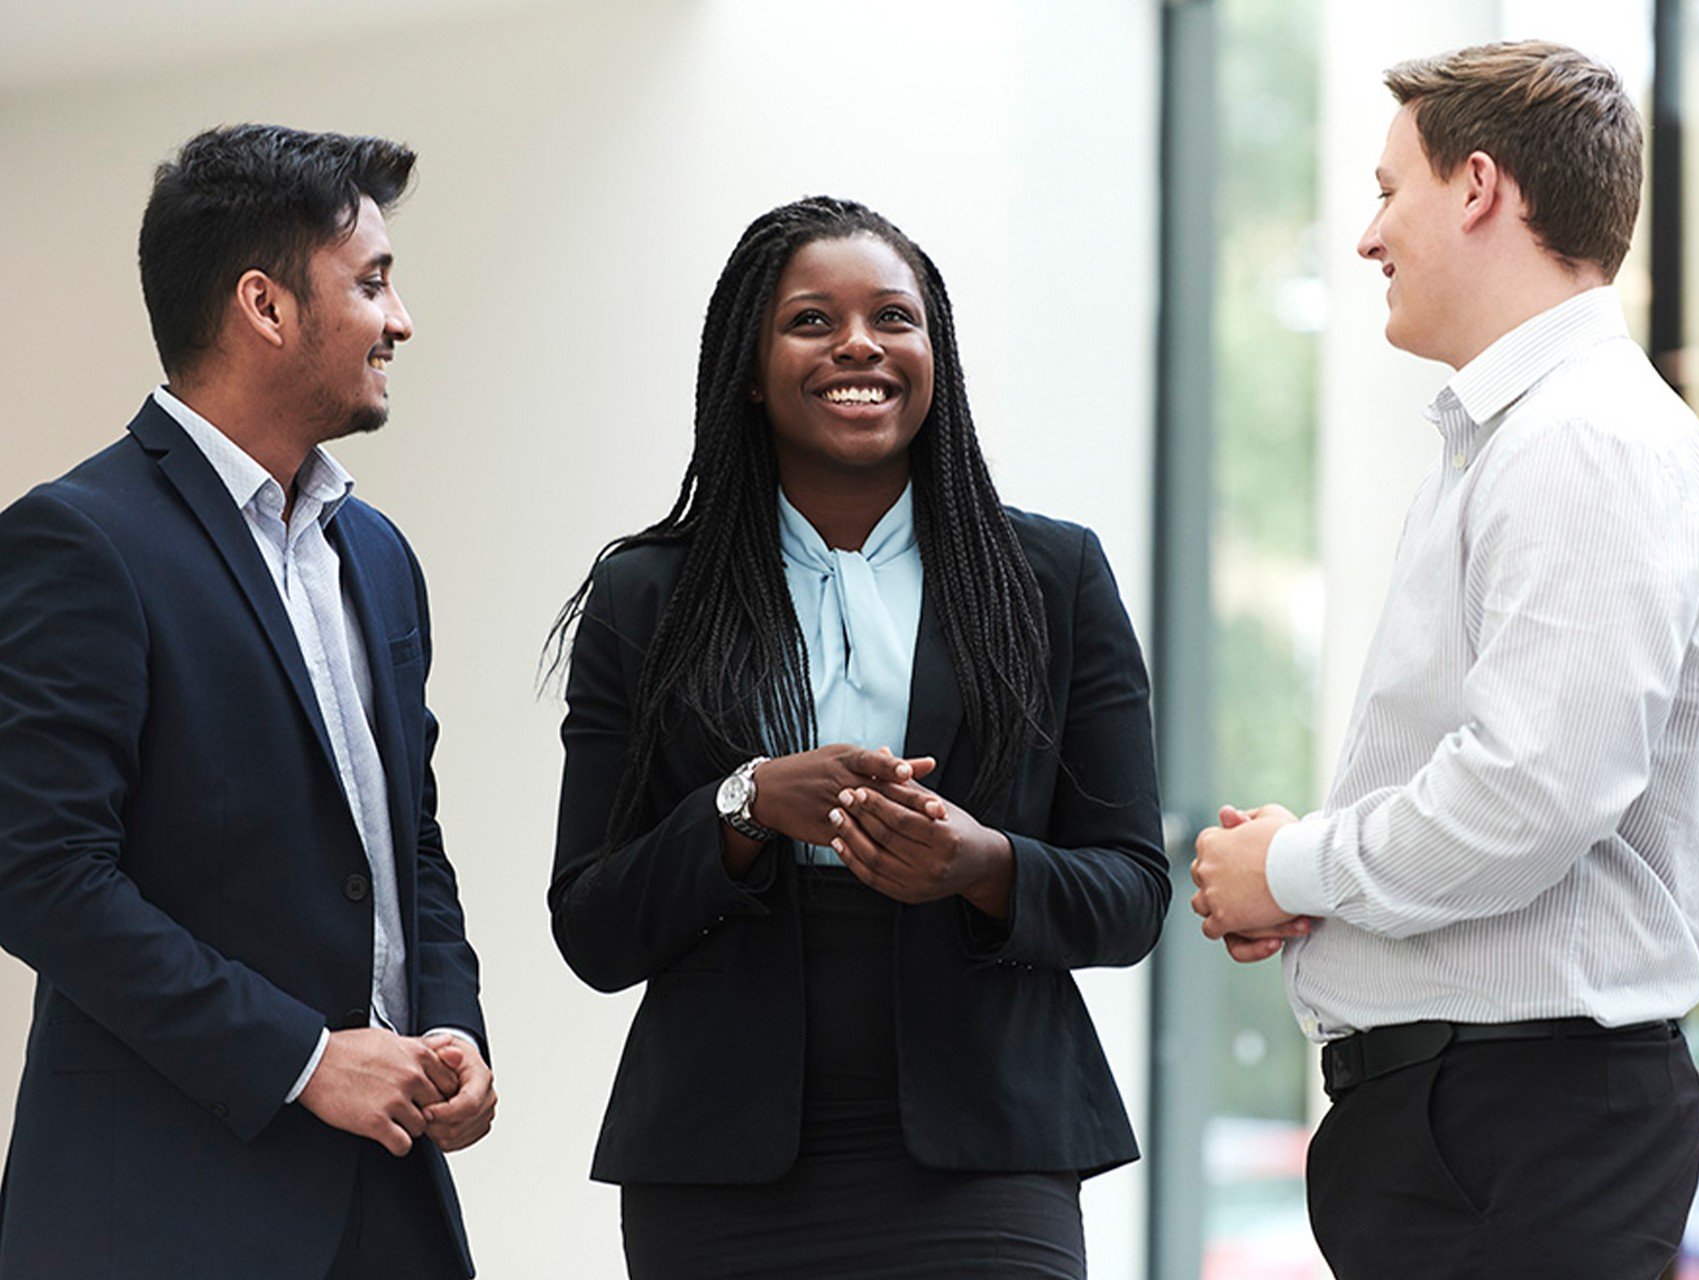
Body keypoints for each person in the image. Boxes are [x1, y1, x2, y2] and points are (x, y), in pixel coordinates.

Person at [1188, 41, 1699, 1279]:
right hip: (1489, 1123)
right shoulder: (1528, 439)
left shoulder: (1583, 440)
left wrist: (1294, 864)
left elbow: (1529, 792)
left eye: (1391, 191)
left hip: (1520, 1123)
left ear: (1480, 187)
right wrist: (1312, 873)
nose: (1367, 236)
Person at [549, 196, 1168, 1278]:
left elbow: (1132, 893)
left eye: (893, 318)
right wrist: (743, 807)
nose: (858, 345)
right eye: (811, 321)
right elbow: (593, 926)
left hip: (989, 1151)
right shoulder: (647, 596)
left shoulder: (1053, 579)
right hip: (722, 1168)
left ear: (936, 358)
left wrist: (984, 864)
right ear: (749, 369)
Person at [0, 125, 494, 1280]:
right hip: (165, 1214)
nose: (401, 319)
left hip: (394, 1195)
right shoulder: (77, 540)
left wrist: (452, 1024)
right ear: (264, 305)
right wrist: (304, 1057)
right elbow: (39, 873)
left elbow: (408, 841)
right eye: (371, 282)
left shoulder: (378, 554)